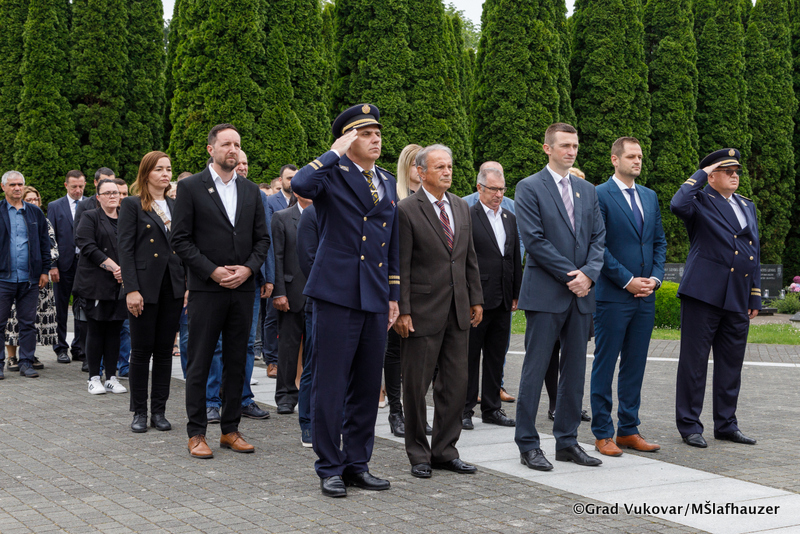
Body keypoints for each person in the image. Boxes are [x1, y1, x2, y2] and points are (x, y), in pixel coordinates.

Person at [292, 103, 399, 498]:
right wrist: (333, 152)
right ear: (348, 139)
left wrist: (394, 295)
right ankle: (329, 466)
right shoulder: (331, 174)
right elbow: (301, 185)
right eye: (365, 134)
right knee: (331, 384)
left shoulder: (386, 180)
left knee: (367, 386)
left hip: (373, 294)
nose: (375, 139)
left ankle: (357, 463)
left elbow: (392, 242)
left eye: (377, 133)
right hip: (336, 293)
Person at [171, 123, 269, 459]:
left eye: (237, 144)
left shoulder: (251, 190)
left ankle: (230, 429)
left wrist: (248, 269)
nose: (233, 150)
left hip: (242, 289)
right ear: (210, 149)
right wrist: (211, 270)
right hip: (206, 290)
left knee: (237, 361)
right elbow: (180, 239)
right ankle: (197, 432)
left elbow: (262, 239)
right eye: (226, 144)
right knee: (200, 361)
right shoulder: (191, 188)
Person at [514, 122, 605, 471]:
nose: (571, 151)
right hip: (546, 294)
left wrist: (589, 275)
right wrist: (574, 276)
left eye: (575, 146)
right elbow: (534, 240)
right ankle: (528, 444)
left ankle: (567, 441)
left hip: (581, 296)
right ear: (547, 148)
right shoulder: (529, 187)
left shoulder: (587, 190)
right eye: (565, 145)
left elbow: (598, 238)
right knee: (535, 370)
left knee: (574, 372)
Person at [395, 144, 483, 480]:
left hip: (458, 311)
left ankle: (445, 451)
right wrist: (403, 310)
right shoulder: (406, 210)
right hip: (421, 312)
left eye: (449, 166)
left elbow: (468, 257)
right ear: (421, 172)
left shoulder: (460, 206)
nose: (447, 171)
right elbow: (400, 264)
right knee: (416, 387)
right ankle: (418, 453)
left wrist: (475, 299)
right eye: (440, 167)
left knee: (455, 385)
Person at [671, 148, 761, 448]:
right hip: (703, 293)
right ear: (711, 176)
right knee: (694, 363)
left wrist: (754, 295)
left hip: (737, 295)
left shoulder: (746, 205)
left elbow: (753, 251)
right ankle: (689, 425)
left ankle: (726, 424)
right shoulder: (699, 200)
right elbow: (677, 204)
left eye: (737, 172)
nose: (735, 176)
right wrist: (702, 172)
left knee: (731, 364)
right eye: (727, 171)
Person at [590, 137, 666, 457]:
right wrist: (627, 281)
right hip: (612, 297)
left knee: (635, 365)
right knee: (605, 365)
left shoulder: (649, 196)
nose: (637, 161)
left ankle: (628, 429)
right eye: (631, 156)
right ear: (614, 159)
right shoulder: (599, 194)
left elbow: (658, 242)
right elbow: (598, 246)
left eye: (640, 157)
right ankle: (602, 432)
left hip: (645, 298)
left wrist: (655, 280)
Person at [118, 151, 186, 433]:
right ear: (146, 173)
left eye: (168, 169)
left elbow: (184, 247)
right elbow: (125, 249)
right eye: (159, 169)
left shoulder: (176, 205)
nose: (165, 174)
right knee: (141, 351)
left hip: (172, 286)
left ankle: (159, 411)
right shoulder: (132, 205)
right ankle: (139, 412)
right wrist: (131, 289)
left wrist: (186, 285)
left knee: (164, 352)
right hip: (144, 287)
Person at [462, 166, 521, 430]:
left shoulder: (510, 217)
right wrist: (469, 297)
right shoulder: (468, 215)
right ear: (479, 188)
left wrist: (516, 293)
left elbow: (514, 257)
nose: (499, 194)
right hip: (477, 299)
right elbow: (463, 259)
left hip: (503, 299)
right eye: (493, 189)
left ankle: (492, 408)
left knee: (496, 356)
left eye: (502, 189)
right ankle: (464, 409)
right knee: (470, 356)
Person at [73, 178, 128, 395]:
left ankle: (112, 377)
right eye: (107, 193)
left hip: (121, 285)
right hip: (97, 283)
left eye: (116, 192)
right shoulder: (90, 217)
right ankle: (94, 377)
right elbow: (87, 246)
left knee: (115, 330)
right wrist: (115, 268)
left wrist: (126, 271)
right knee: (96, 330)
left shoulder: (126, 217)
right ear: (98, 197)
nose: (113, 196)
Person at [383, 143, 421, 438]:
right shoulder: (393, 199)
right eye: (416, 163)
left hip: (425, 289)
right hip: (398, 284)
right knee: (395, 351)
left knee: (420, 356)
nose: (421, 169)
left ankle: (416, 412)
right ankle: (396, 411)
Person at [0, 171, 51, 379]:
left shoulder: (35, 212)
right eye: (12, 184)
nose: (17, 188)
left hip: (30, 278)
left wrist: (45, 270)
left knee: (28, 323)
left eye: (20, 184)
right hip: (3, 278)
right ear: (3, 187)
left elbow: (45, 243)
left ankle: (26, 363)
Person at [271, 192, 312, 414]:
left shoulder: (328, 216)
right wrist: (279, 292)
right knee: (288, 348)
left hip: (320, 294)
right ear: (297, 192)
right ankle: (286, 396)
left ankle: (311, 395)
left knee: (315, 350)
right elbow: (276, 256)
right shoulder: (282, 217)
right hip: (291, 293)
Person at [47, 169, 87, 365]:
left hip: (85, 264)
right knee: (61, 308)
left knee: (83, 308)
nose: (78, 190)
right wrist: (53, 264)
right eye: (74, 187)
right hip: (63, 264)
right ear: (66, 186)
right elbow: (50, 236)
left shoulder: (90, 204)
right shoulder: (55, 206)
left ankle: (79, 347)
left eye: (81, 186)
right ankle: (60, 347)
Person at [263, 164, 298, 378]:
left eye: (295, 178)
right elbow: (268, 234)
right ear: (280, 180)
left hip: (295, 268)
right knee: (271, 316)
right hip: (275, 263)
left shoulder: (304, 201)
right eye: (288, 178)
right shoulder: (271, 202)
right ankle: (272, 360)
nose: (292, 182)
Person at [296, 203, 318, 447]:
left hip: (351, 304)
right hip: (321, 302)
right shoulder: (312, 214)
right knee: (313, 365)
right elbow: (308, 261)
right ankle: (308, 423)